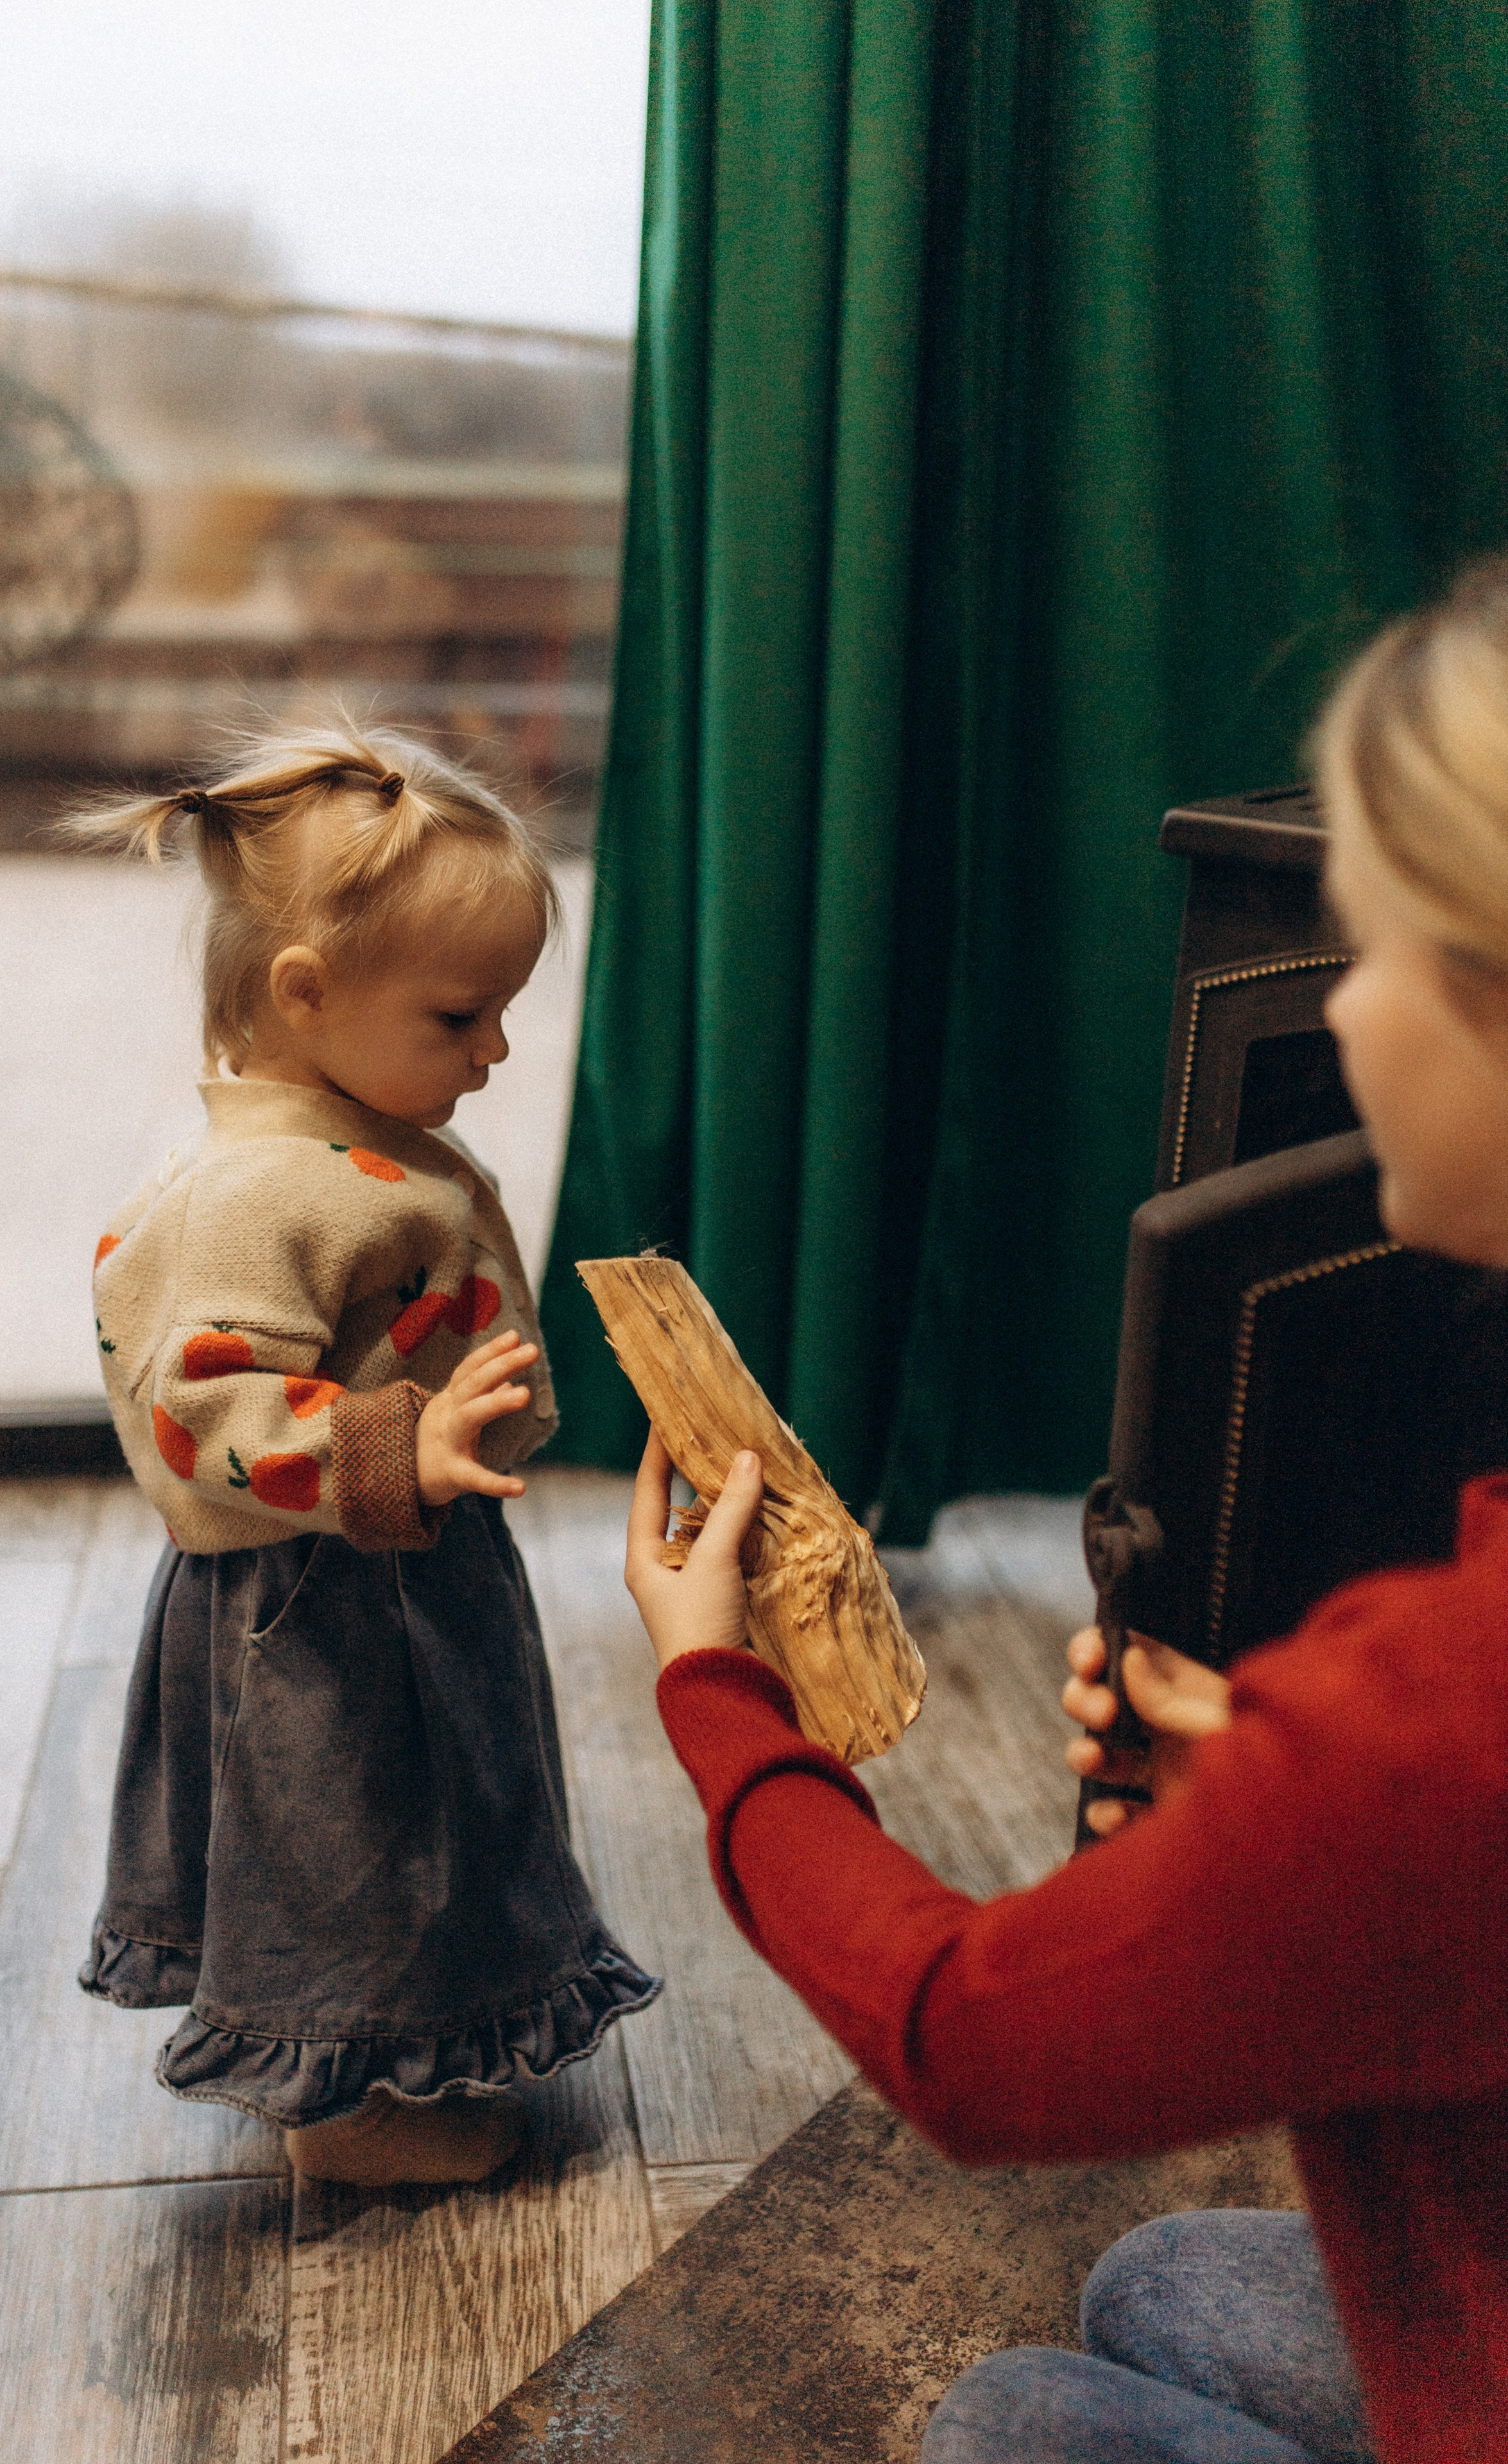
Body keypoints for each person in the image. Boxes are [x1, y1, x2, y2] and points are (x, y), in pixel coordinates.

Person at [624, 558, 1508, 2463]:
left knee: (1011, 2417)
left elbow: (969, 2042)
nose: (1340, 1017)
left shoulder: (1442, 1710)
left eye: (1364, 946)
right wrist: (1292, 1818)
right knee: (1165, 2284)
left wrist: (719, 1697)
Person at [73, 726, 657, 2187]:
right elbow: (199, 1403)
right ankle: (348, 2111)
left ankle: (412, 2046)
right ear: (304, 995)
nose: (498, 1050)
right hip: (318, 1601)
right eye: (462, 1017)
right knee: (347, 1846)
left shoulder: (350, 1133)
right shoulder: (256, 1192)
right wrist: (395, 1445)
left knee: (432, 1818)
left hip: (402, 1563)